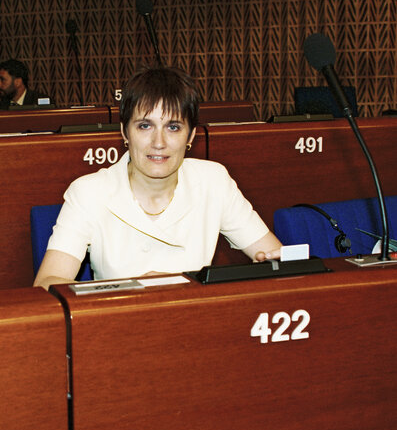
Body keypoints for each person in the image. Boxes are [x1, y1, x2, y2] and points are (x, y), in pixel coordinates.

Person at [34, 66, 282, 289]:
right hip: (118, 325)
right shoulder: (89, 192)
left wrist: (272, 264)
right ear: (125, 132)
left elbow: (276, 256)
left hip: (195, 322)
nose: (159, 143)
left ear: (191, 136)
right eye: (145, 126)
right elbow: (47, 283)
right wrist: (131, 289)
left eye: (173, 127)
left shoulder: (214, 180)